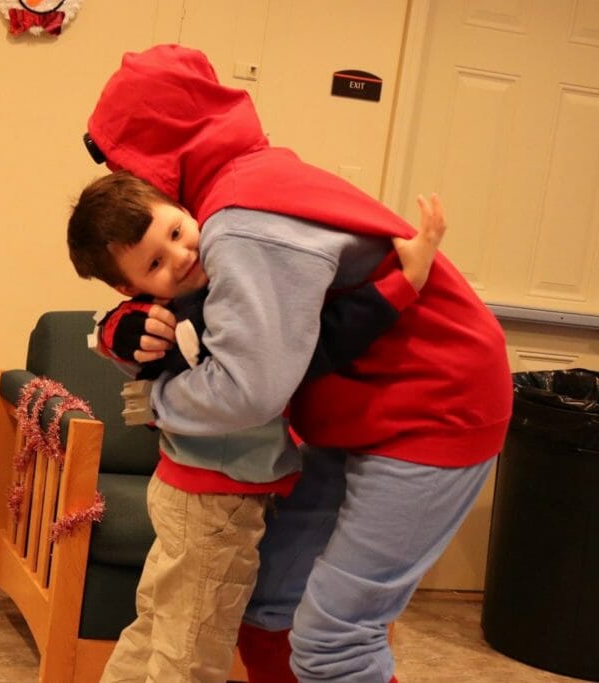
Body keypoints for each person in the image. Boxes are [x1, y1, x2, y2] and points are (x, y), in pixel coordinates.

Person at [80, 44, 512, 683]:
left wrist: (158, 404)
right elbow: (223, 329)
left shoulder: (240, 223)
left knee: (333, 640)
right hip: (367, 412)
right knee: (270, 608)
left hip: (433, 410)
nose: (173, 251)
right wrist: (123, 333)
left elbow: (249, 388)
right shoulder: (241, 192)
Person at [67, 171, 447, 682]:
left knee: (160, 630)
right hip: (213, 504)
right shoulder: (181, 311)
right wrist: (124, 327)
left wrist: (400, 284)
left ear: (187, 211)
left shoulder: (220, 284)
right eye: (156, 262)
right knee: (191, 654)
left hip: (194, 494)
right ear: (130, 285)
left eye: (177, 233)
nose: (180, 257)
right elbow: (324, 344)